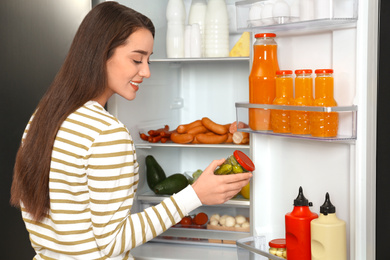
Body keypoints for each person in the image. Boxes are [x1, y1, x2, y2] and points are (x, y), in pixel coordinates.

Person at [10, 2, 252, 259]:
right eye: (137, 59)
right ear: (101, 53)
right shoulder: (107, 134)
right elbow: (111, 243)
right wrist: (194, 195)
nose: (146, 71)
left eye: (148, 60)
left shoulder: (43, 117)